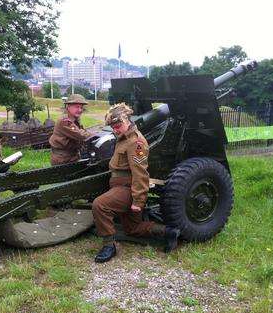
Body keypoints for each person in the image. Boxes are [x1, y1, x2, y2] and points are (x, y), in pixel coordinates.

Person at [92, 103, 180, 263]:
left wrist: (138, 201)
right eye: (113, 127)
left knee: (100, 205)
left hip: (127, 188)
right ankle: (169, 232)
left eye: (118, 125)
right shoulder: (123, 138)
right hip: (120, 186)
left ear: (128, 121)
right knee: (132, 229)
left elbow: (141, 173)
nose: (116, 129)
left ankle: (109, 246)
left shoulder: (136, 142)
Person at [49, 94, 92, 165]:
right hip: (62, 160)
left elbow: (82, 132)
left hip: (72, 157)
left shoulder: (75, 120)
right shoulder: (64, 121)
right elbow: (81, 135)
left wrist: (82, 132)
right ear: (68, 107)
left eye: (81, 108)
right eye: (77, 107)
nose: (80, 110)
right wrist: (90, 133)